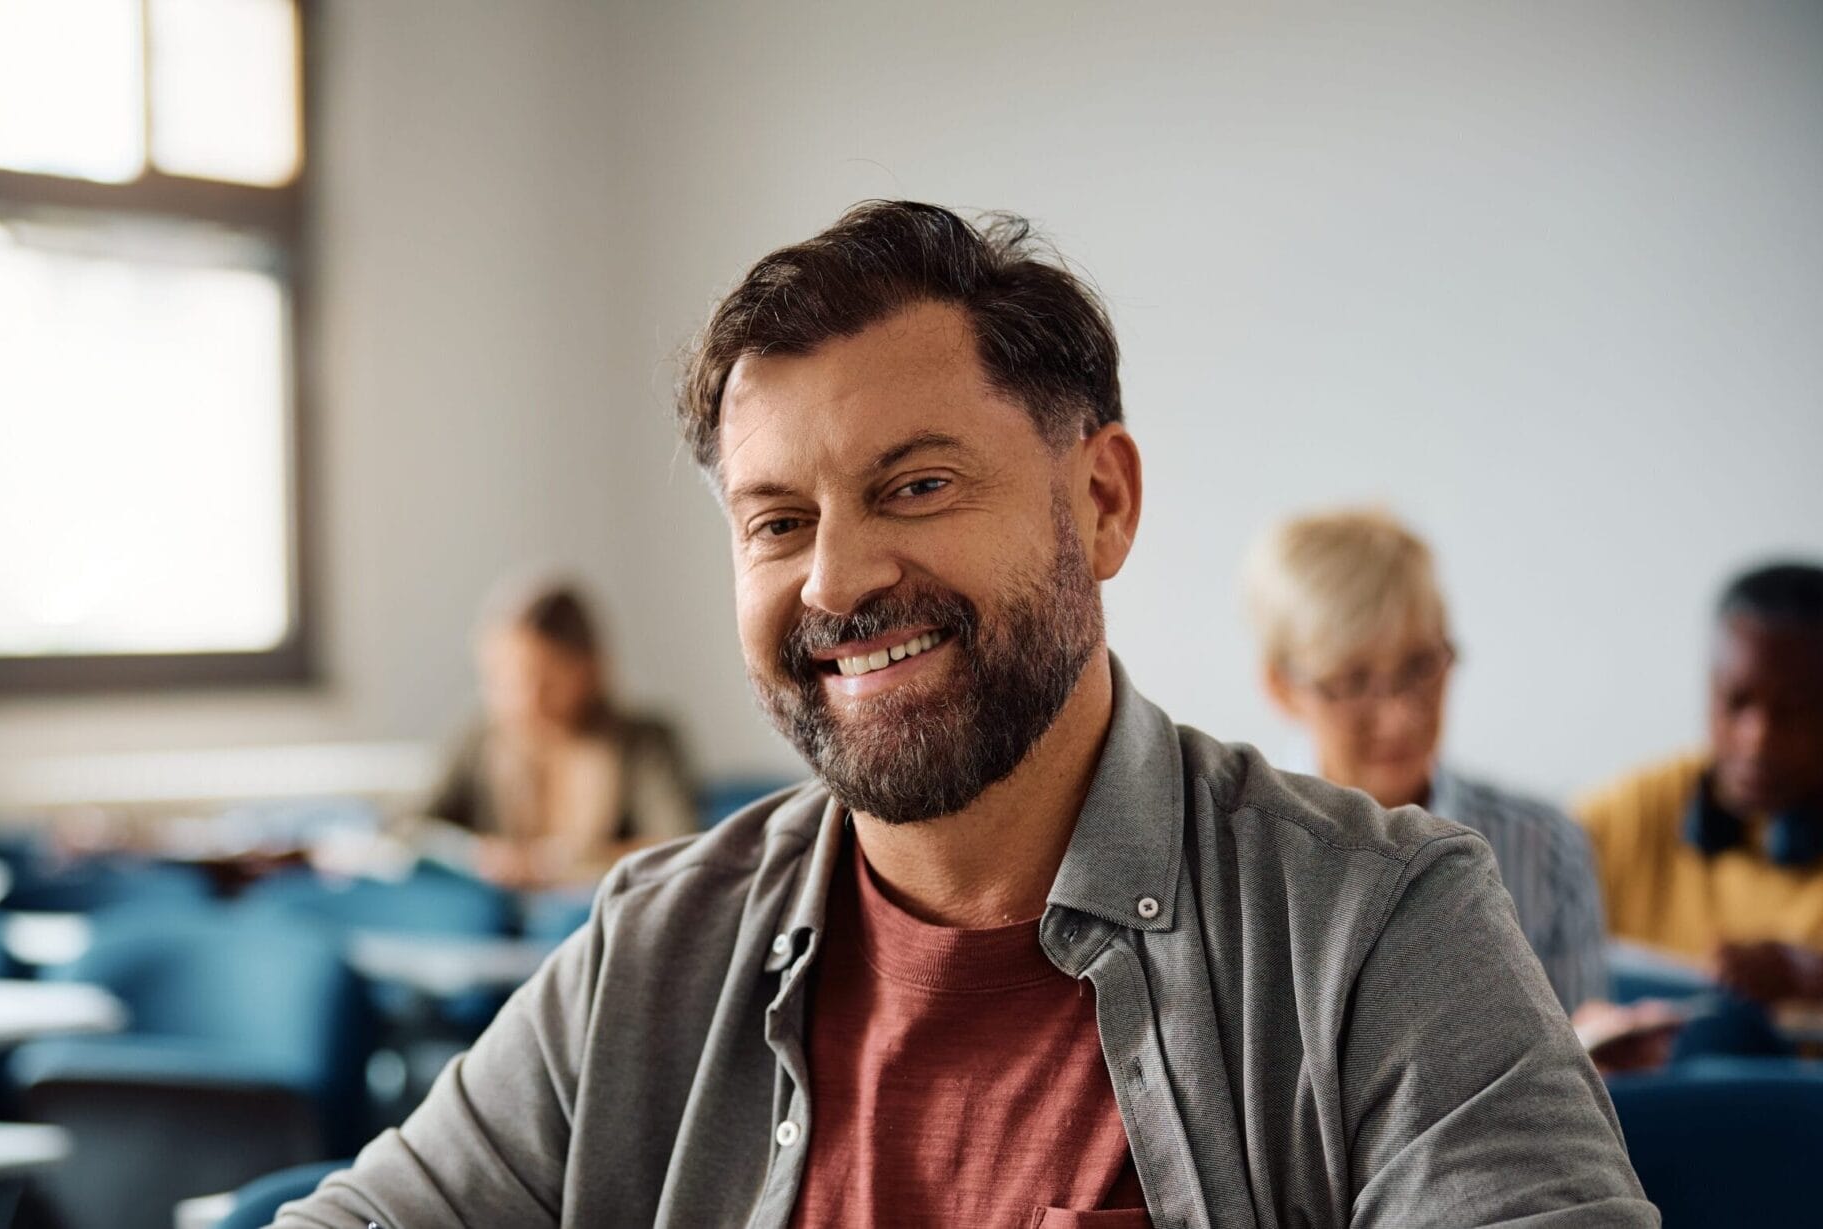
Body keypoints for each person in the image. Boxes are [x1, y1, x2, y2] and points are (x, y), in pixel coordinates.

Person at [278, 202, 1645, 1228]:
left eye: (918, 486)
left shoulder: (1379, 925)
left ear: (1101, 501)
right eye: (778, 520)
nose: (838, 577)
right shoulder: (658, 946)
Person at [1241, 510, 1611, 1006]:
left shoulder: (1546, 849)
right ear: (1282, 688)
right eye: (1353, 682)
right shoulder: (1234, 858)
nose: (1399, 717)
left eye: (1419, 666)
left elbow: (1581, 1063)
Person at [1577, 561, 1823, 1004]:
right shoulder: (1636, 811)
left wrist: (1809, 980)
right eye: (1736, 702)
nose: (1757, 738)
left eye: (1793, 711)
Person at [425, 579, 698, 889]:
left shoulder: (645, 743)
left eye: (545, 680)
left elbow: (680, 846)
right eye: (502, 680)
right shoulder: (478, 739)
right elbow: (413, 829)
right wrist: (476, 854)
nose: (524, 699)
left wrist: (564, 864)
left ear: (588, 668)